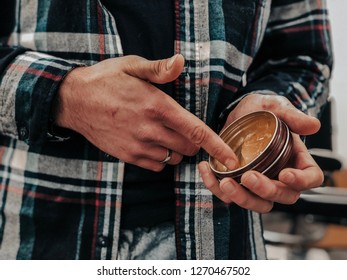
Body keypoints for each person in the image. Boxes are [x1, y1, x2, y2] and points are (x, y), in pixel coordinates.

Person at [0, 0, 332, 260]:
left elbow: (302, 58)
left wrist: (269, 102)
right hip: (40, 236)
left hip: (220, 241)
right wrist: (62, 95)